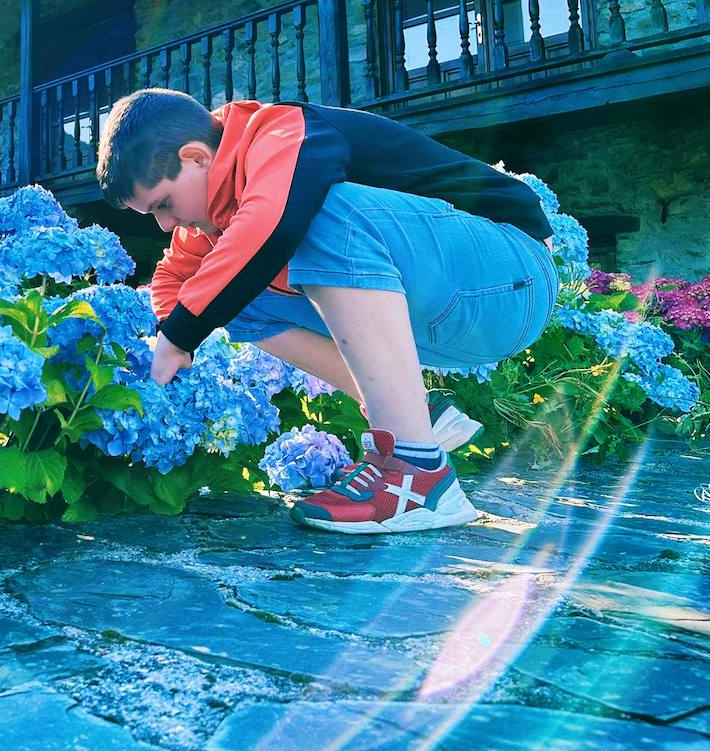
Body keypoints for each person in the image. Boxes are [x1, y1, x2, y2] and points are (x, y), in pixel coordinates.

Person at [95, 88, 558, 533]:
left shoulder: (282, 133)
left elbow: (270, 223)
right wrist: (169, 336)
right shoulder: (212, 216)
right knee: (228, 292)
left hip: (510, 277)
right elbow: (172, 281)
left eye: (165, 204)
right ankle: (416, 419)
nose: (165, 224)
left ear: (195, 157)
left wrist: (179, 338)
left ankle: (418, 477)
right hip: (447, 322)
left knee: (314, 213)